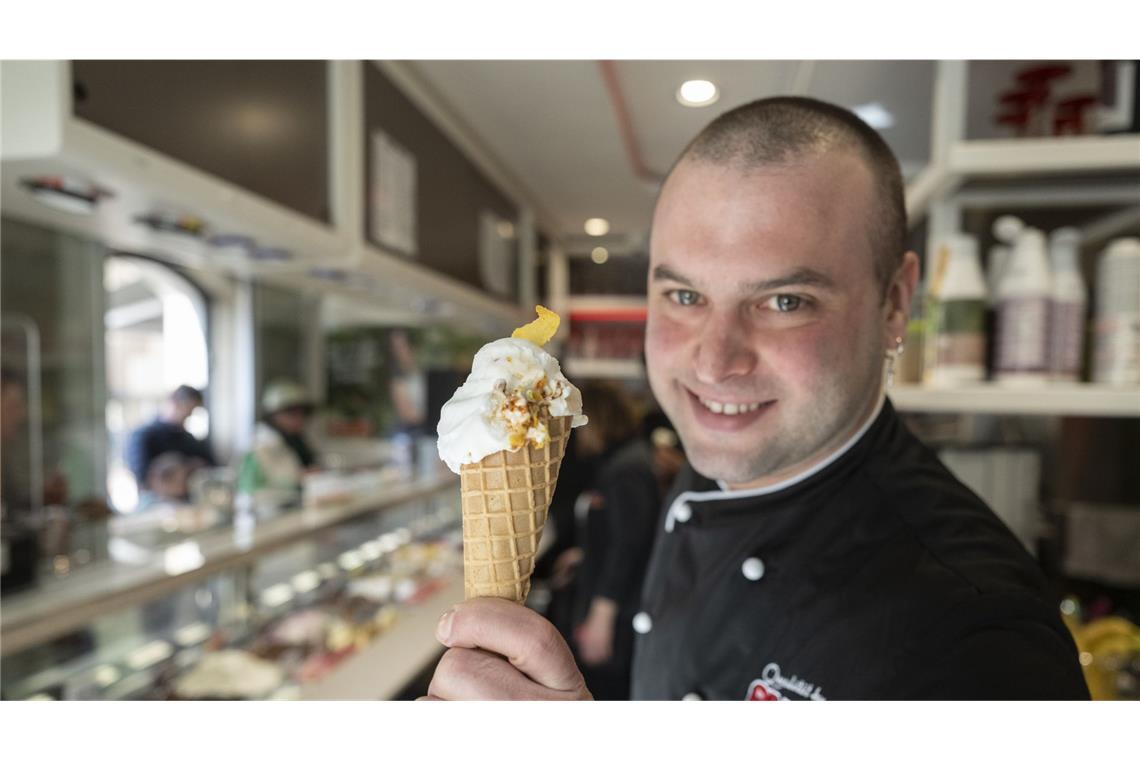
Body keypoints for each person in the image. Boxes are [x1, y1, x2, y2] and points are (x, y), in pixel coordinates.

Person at [422, 96, 1089, 700]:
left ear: (895, 303)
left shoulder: (979, 645)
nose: (714, 363)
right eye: (684, 296)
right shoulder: (723, 455)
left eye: (784, 301)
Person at [568, 381, 662, 700]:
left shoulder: (626, 470)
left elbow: (630, 545)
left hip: (617, 614)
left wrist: (601, 617)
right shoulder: (625, 460)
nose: (577, 433)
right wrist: (583, 555)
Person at [125, 385, 214, 497]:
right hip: (155, 501)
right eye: (186, 410)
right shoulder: (143, 436)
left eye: (191, 412)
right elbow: (142, 476)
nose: (188, 416)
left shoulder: (190, 440)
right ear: (174, 403)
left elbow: (212, 467)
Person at [239, 379, 318, 494]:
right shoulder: (261, 444)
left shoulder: (295, 440)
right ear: (274, 415)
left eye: (302, 414)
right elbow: (249, 489)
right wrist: (300, 478)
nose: (299, 419)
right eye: (292, 413)